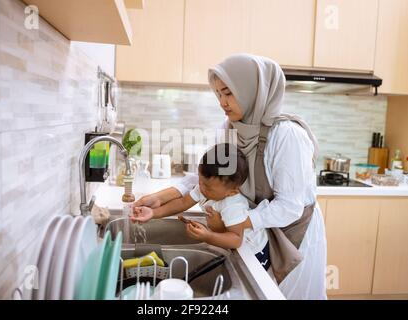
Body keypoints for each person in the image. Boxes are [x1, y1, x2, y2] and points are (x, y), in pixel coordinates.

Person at [133, 54, 327, 300]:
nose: (222, 102)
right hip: (257, 233)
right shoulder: (228, 129)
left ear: (252, 90)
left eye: (228, 93)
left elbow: (289, 207)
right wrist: (158, 200)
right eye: (218, 94)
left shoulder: (287, 136)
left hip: (294, 234)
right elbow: (206, 180)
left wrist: (235, 224)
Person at [132, 143, 269, 267]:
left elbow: (236, 240)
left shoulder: (233, 205)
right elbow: (182, 203)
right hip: (232, 245)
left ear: (231, 191)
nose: (201, 188)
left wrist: (207, 236)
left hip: (253, 252)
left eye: (208, 187)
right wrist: (153, 213)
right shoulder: (205, 188)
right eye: (200, 181)